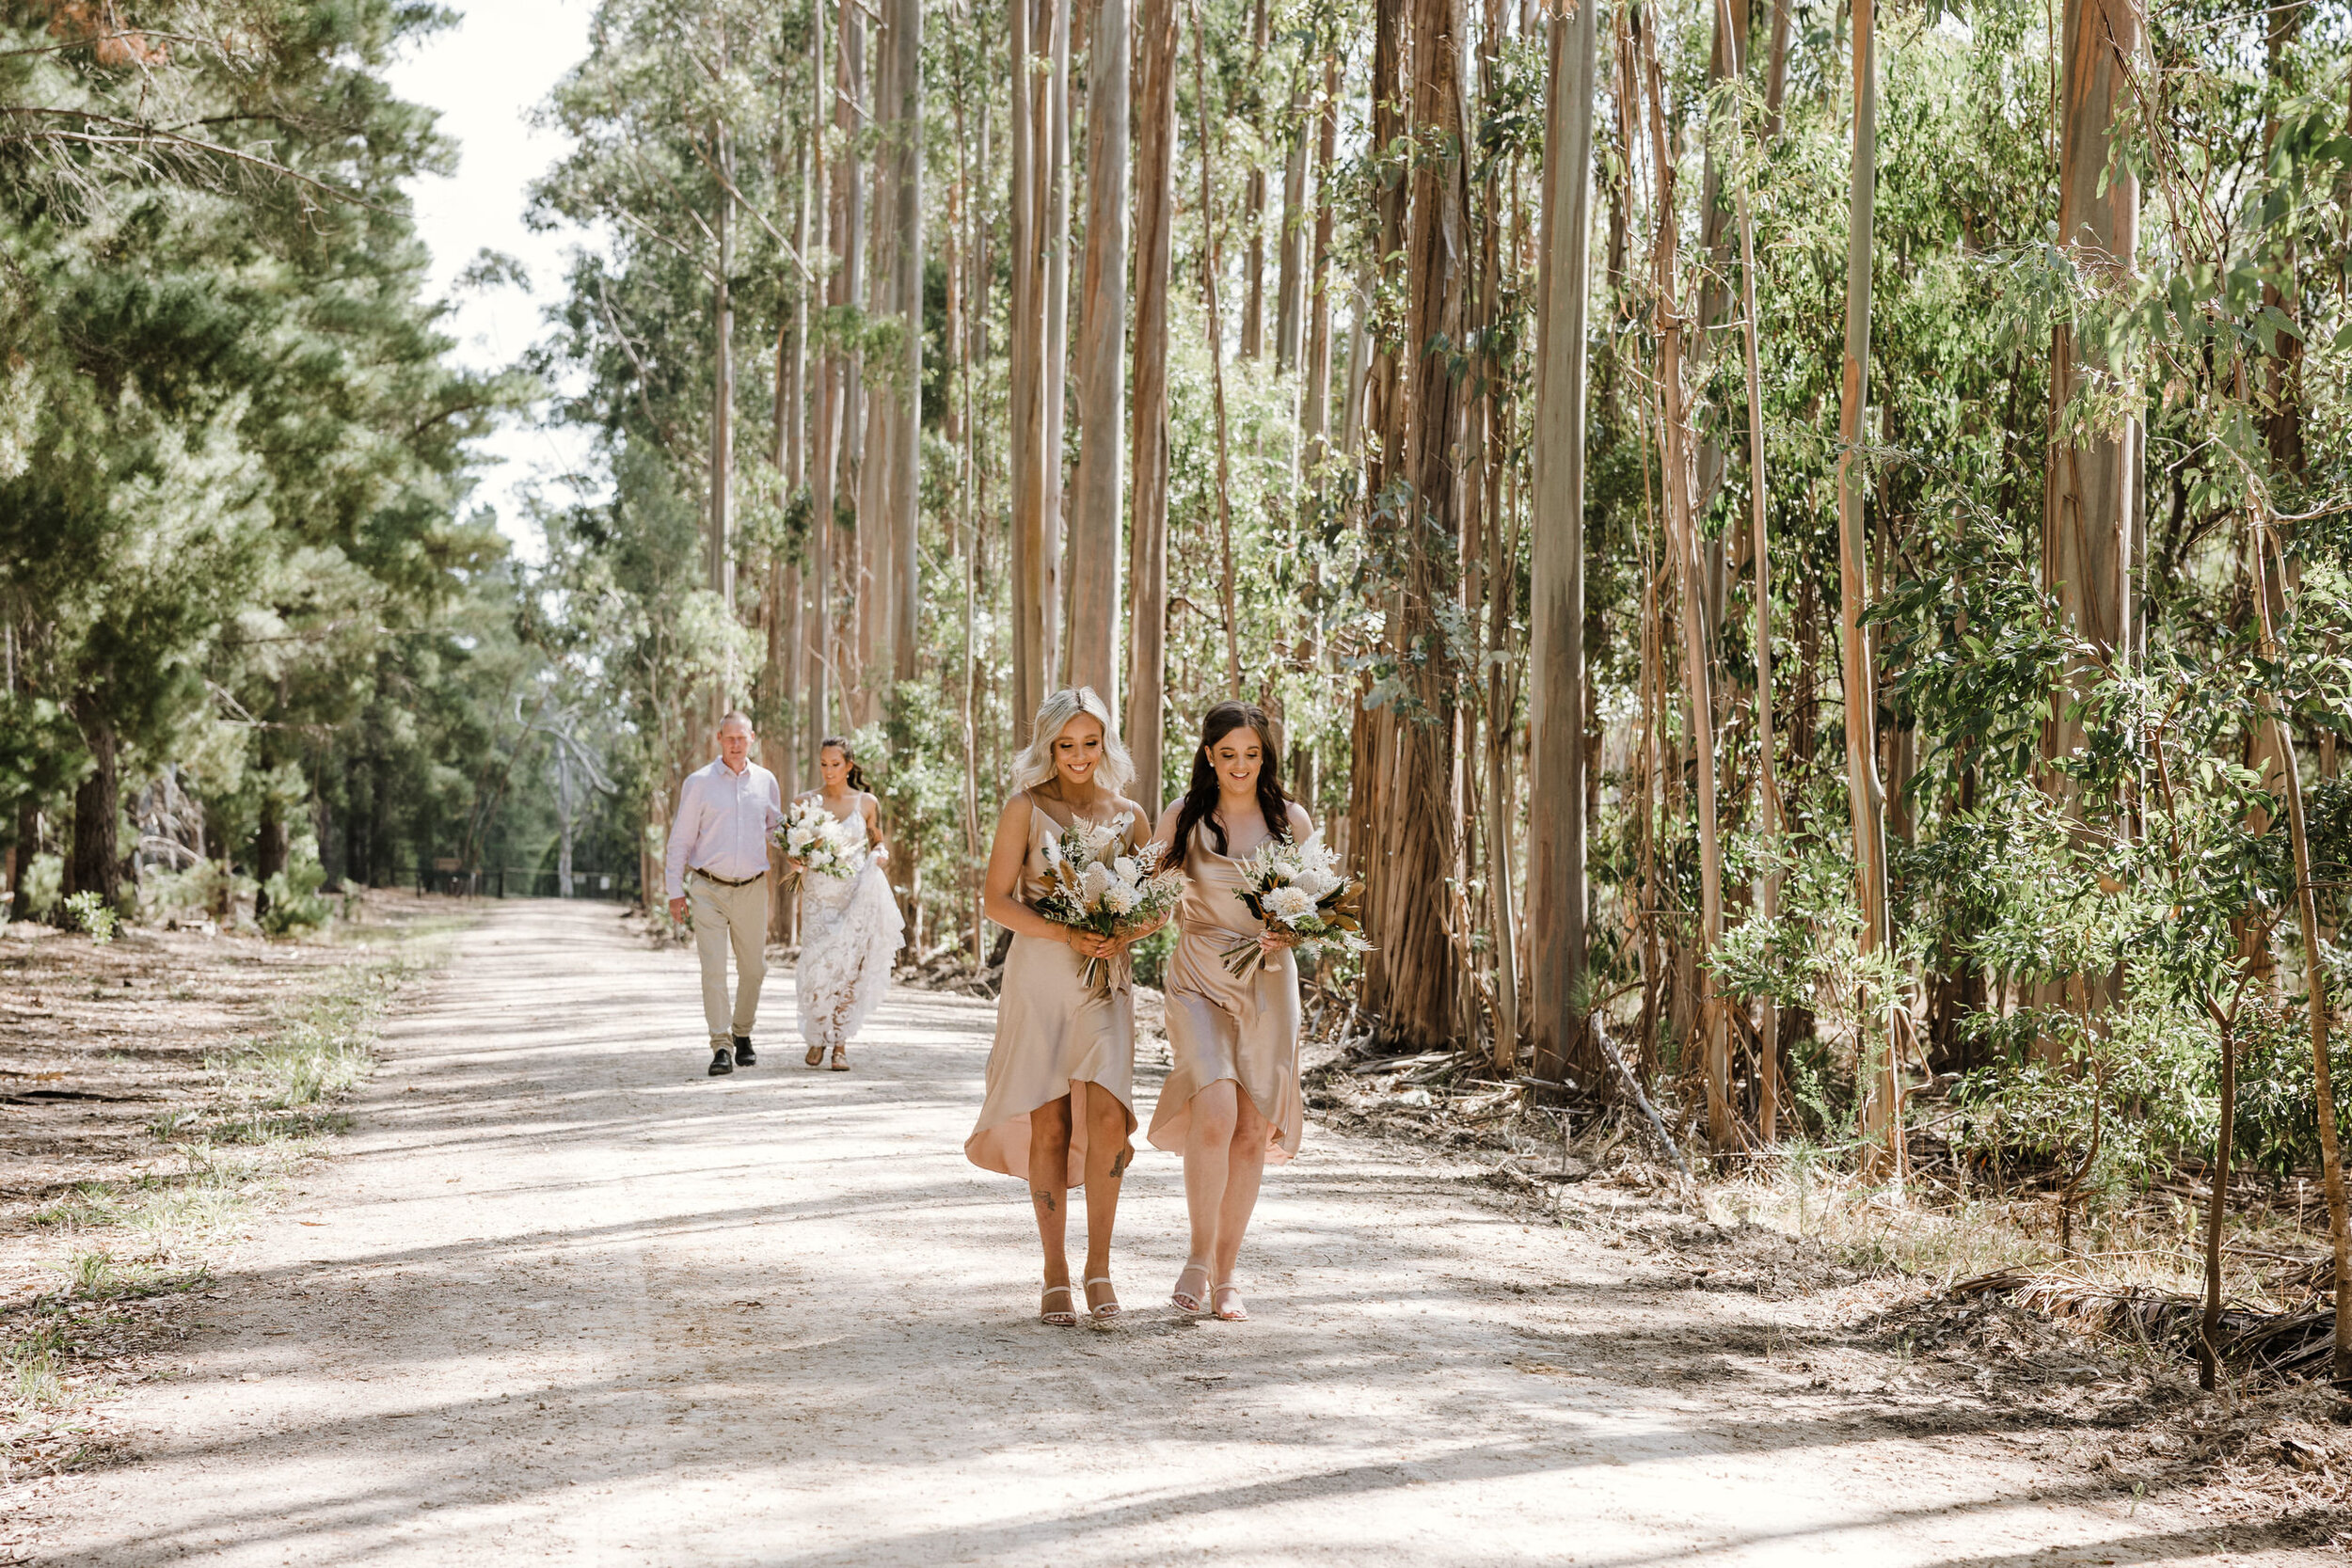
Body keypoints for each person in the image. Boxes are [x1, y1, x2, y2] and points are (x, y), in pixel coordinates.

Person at [966, 688, 1159, 1324]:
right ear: (1048, 744)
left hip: (1104, 977)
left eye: (1090, 742)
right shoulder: (1024, 807)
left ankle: (1099, 1267)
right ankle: (1054, 1271)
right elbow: (997, 900)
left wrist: (1123, 932)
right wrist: (1065, 931)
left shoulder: (1130, 815)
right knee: (1051, 1124)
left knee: (1107, 1120)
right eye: (1066, 743)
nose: (1078, 755)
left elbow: (1154, 905)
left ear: (1106, 743)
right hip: (1040, 975)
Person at [1146, 701, 1311, 1323]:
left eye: (1252, 754)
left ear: (1263, 757)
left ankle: (1227, 1273)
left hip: (1268, 982)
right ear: (1209, 756)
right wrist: (1104, 929)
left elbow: (1314, 907)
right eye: (1228, 754)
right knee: (1212, 1106)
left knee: (1249, 1127)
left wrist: (1292, 931)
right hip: (1197, 979)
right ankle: (1196, 1256)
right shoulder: (1183, 816)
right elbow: (1149, 898)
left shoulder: (1290, 820)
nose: (1240, 766)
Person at [664, 712, 784, 1078]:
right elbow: (681, 839)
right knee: (713, 970)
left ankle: (742, 1031)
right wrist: (674, 891)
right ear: (718, 738)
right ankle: (721, 1045)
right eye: (728, 738)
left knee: (754, 969)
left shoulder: (765, 781)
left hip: (751, 888)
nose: (735, 744)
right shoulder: (699, 783)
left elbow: (775, 828)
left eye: (741, 738)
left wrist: (802, 847)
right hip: (707, 888)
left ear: (752, 738)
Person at [787, 736, 903, 1071]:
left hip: (856, 895)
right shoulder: (805, 802)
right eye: (823, 764)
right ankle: (816, 1035)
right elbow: (794, 848)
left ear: (849, 766)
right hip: (819, 899)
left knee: (850, 968)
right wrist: (796, 861)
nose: (828, 771)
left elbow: (878, 843)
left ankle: (839, 1043)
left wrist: (880, 855)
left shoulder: (866, 802)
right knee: (817, 967)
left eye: (835, 764)